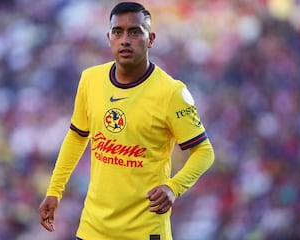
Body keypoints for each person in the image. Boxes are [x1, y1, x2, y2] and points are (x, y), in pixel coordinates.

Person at [39, 2, 215, 240]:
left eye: (135, 32)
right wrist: (54, 190)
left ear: (150, 39)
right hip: (93, 230)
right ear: (108, 37)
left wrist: (174, 187)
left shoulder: (171, 92)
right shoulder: (90, 80)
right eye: (117, 32)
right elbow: (77, 136)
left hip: (144, 231)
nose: (125, 39)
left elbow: (204, 151)